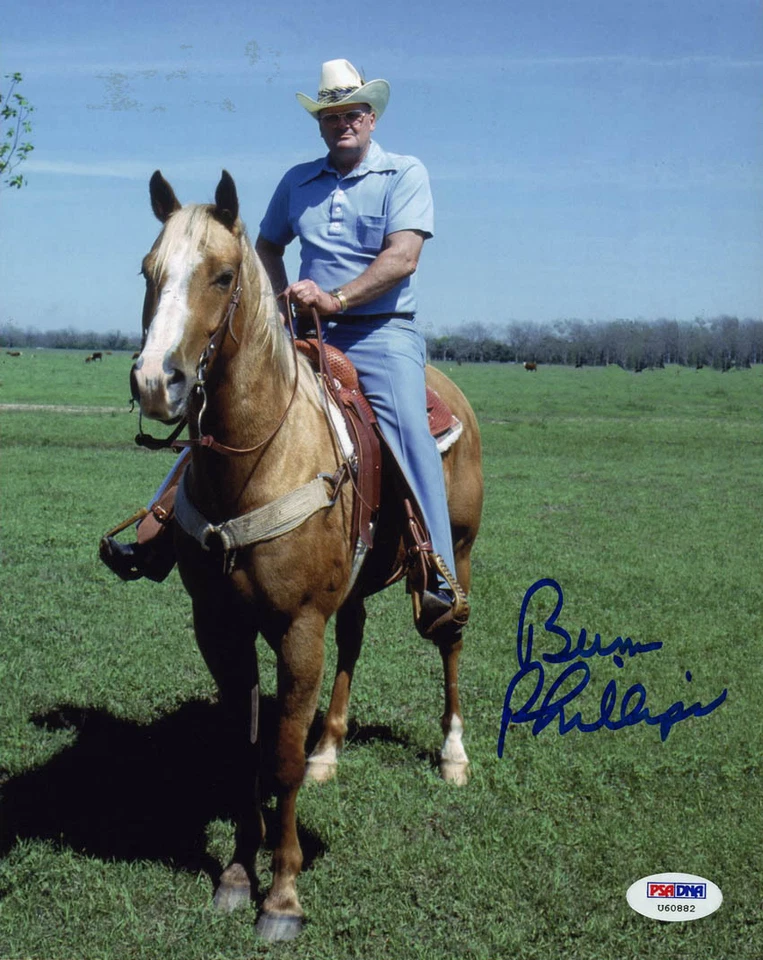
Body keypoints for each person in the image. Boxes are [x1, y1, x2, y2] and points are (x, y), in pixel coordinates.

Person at [101, 59, 466, 637]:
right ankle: (157, 528)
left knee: (408, 429)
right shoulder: (298, 182)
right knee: (221, 415)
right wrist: (276, 303)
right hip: (305, 330)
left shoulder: (404, 174)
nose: (341, 123)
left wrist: (338, 299)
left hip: (380, 332)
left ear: (371, 118)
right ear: (320, 124)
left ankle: (436, 571)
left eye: (351, 113)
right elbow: (265, 244)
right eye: (330, 115)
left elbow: (403, 257)